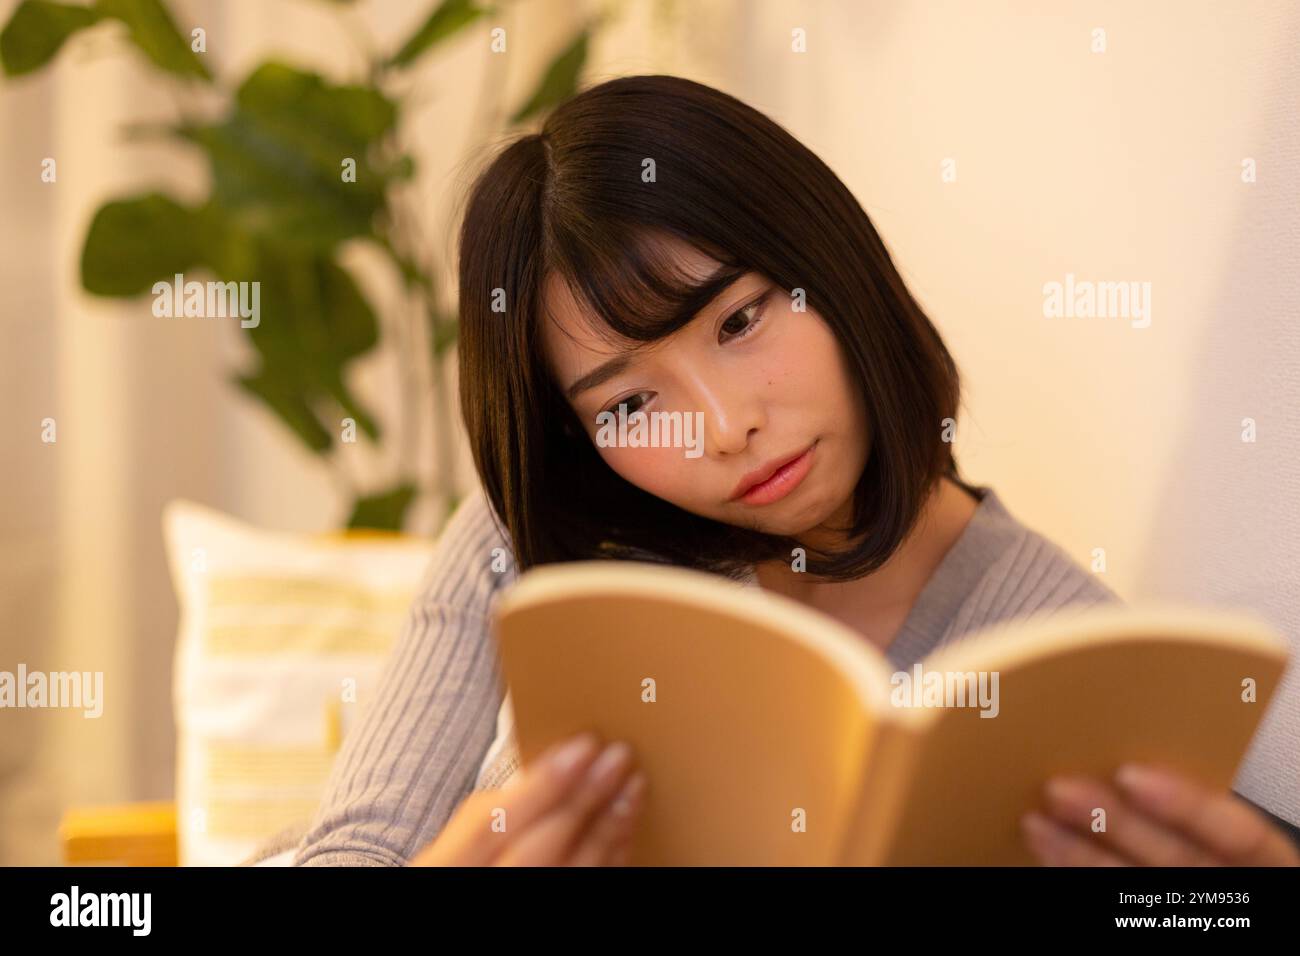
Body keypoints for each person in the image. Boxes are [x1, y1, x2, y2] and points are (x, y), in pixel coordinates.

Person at [292, 74, 1299, 867]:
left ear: (831, 263)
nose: (726, 427)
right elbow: (351, 851)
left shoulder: (1065, 655)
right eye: (630, 404)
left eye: (738, 319)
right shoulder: (537, 541)